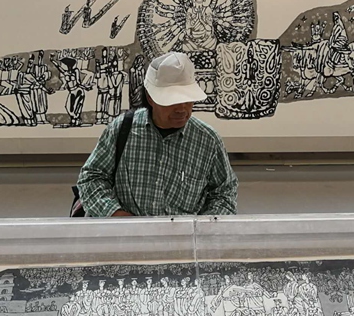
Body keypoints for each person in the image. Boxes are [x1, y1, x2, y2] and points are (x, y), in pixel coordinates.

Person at [77, 51, 238, 217]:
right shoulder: (122, 129)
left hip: (182, 232)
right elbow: (91, 178)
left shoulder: (207, 140)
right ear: (150, 98)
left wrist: (201, 226)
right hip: (124, 231)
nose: (181, 109)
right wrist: (117, 215)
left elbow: (224, 194)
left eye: (188, 100)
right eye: (173, 101)